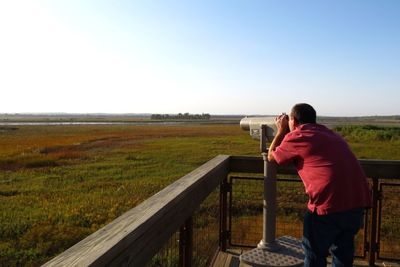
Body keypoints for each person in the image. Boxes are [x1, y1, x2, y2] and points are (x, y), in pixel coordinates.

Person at [267, 103, 372, 267]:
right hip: (357, 202)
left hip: (327, 206)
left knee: (314, 255)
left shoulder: (299, 135)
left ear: (293, 121)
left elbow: (272, 157)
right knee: (343, 254)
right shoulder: (330, 133)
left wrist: (281, 131)